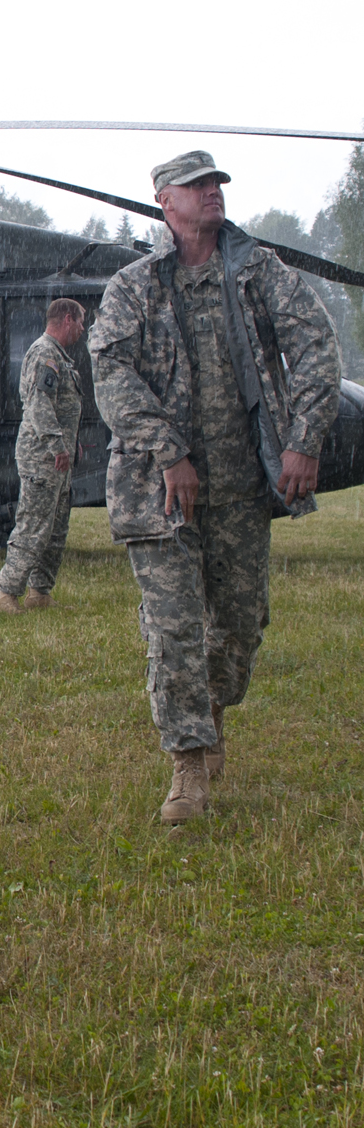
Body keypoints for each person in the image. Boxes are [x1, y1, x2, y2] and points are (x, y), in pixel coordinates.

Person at [93, 150, 340, 825]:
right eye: (197, 187)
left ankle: (212, 713)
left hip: (240, 487)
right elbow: (111, 372)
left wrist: (303, 439)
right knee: (174, 631)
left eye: (216, 185)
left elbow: (317, 344)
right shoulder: (134, 286)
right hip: (159, 489)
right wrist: (169, 451)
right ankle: (189, 766)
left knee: (238, 628)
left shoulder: (258, 274)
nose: (212, 194)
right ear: (164, 202)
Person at [0, 299, 87, 613]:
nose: (83, 330)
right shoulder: (44, 353)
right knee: (34, 525)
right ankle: (6, 594)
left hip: (59, 458)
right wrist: (57, 445)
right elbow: (39, 405)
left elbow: (60, 406)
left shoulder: (57, 356)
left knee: (56, 529)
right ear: (68, 319)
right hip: (43, 458)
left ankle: (39, 593)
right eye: (81, 322)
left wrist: (71, 444)